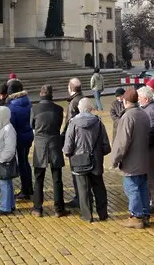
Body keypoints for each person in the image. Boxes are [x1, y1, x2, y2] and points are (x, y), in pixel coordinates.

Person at [63, 98, 110, 223]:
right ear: (91, 108)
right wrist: (99, 153)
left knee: (83, 189)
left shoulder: (73, 123)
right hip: (96, 159)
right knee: (99, 187)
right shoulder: (99, 122)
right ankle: (103, 213)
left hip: (79, 160)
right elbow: (106, 145)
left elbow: (68, 145)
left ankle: (87, 215)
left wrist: (69, 154)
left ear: (79, 108)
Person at [111, 86, 151, 229]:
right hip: (144, 159)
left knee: (132, 188)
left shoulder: (128, 116)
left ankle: (136, 216)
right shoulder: (143, 114)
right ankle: (145, 214)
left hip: (131, 161)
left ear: (125, 101)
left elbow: (122, 142)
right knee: (143, 188)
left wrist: (114, 160)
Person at [31, 85, 68, 217]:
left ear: (41, 94)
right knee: (57, 178)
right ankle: (59, 208)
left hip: (40, 144)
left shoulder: (34, 109)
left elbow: (32, 125)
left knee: (38, 178)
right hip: (54, 142)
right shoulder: (58, 109)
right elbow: (59, 125)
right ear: (51, 95)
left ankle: (37, 208)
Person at [7, 81, 34, 200]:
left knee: (22, 163)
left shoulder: (12, 106)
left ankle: (25, 190)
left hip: (19, 136)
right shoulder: (28, 102)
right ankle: (29, 187)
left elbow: (11, 125)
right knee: (25, 162)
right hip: (28, 135)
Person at [138, 86, 154, 213]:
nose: (138, 100)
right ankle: (152, 199)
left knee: (152, 175)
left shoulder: (152, 110)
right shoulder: (149, 108)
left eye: (140, 98)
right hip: (150, 147)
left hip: (151, 148)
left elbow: (153, 131)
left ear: (146, 99)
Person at [0, 105, 17, 215]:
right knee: (7, 182)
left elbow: (10, 148)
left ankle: (5, 207)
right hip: (2, 159)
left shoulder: (8, 129)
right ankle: (10, 205)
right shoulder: (0, 128)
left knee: (4, 183)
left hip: (5, 160)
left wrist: (1, 158)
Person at [63, 77, 84, 209]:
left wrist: (64, 138)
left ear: (70, 88)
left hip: (75, 141)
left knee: (76, 171)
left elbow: (69, 123)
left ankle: (79, 197)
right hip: (83, 139)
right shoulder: (82, 98)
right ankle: (83, 196)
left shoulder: (73, 103)